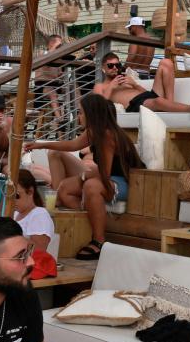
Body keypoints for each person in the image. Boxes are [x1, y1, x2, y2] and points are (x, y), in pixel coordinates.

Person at [23, 94, 145, 260]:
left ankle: (99, 241)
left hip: (125, 182)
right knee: (63, 189)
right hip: (107, 178)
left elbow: (105, 173)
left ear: (91, 113)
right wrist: (41, 144)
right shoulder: (94, 132)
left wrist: (83, 177)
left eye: (81, 112)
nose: (79, 116)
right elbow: (71, 145)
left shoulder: (108, 135)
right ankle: (90, 216)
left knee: (91, 186)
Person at [94, 52, 190, 114]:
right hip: (134, 104)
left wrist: (135, 85)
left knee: (166, 62)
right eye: (110, 65)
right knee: (158, 101)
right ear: (103, 68)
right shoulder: (101, 86)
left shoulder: (126, 80)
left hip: (146, 98)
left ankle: (170, 106)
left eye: (117, 65)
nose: (114, 68)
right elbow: (99, 106)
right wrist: (111, 87)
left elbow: (146, 93)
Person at [124, 17, 177, 99]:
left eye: (130, 28)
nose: (129, 30)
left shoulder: (135, 40)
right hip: (146, 74)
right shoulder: (151, 41)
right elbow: (150, 58)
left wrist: (123, 68)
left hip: (135, 75)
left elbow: (132, 56)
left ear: (135, 26)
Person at [13, 170, 54, 253]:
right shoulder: (15, 213)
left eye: (16, 195)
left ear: (30, 191)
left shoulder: (39, 215)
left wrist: (10, 237)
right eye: (9, 195)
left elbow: (39, 250)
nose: (12, 200)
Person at [34, 35, 65, 129]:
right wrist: (55, 48)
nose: (61, 47)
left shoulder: (57, 58)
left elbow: (59, 74)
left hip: (55, 85)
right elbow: (46, 61)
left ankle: (76, 116)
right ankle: (60, 120)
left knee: (72, 88)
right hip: (42, 86)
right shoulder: (42, 53)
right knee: (52, 92)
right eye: (59, 45)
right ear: (51, 43)